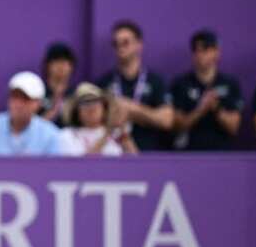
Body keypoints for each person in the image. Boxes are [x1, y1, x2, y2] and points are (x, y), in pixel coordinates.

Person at [95, 20, 174, 151]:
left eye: (125, 42)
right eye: (116, 43)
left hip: (149, 154)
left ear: (139, 45)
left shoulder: (155, 81)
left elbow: (167, 121)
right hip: (113, 155)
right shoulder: (104, 82)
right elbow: (94, 122)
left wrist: (132, 109)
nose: (120, 47)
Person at [170, 29, 243, 151]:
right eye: (196, 50)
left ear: (217, 53)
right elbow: (176, 126)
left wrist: (216, 108)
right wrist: (200, 109)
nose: (200, 54)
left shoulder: (230, 84)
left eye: (205, 49)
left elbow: (234, 127)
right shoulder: (181, 84)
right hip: (188, 152)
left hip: (222, 153)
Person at [0, 71, 63, 156]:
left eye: (25, 99)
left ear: (38, 103)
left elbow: (54, 169)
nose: (18, 104)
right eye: (15, 97)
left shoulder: (50, 134)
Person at [58, 82, 137, 157]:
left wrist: (124, 135)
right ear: (76, 111)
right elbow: (82, 163)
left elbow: (135, 161)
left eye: (95, 101)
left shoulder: (117, 133)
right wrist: (108, 133)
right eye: (85, 103)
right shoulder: (68, 135)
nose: (91, 107)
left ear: (104, 108)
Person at [40, 42, 76, 127]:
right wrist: (54, 109)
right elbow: (30, 126)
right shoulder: (38, 91)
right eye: (56, 61)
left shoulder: (75, 94)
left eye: (65, 61)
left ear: (71, 67)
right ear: (47, 65)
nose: (61, 66)